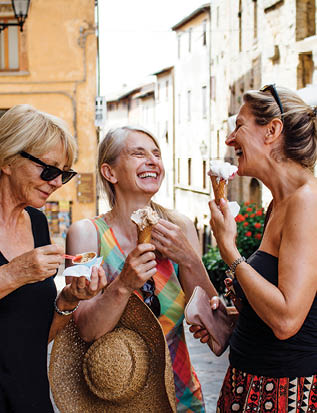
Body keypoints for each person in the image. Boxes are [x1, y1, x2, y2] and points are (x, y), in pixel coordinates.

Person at [65, 125, 218, 412]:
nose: (153, 161)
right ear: (110, 173)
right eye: (138, 153)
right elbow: (83, 331)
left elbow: (214, 326)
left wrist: (189, 259)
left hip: (181, 399)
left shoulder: (180, 227)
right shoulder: (86, 235)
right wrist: (122, 284)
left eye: (157, 154)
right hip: (113, 403)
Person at [192, 85, 317, 412]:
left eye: (239, 126)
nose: (229, 140)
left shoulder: (308, 202)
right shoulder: (277, 204)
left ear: (272, 130)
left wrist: (229, 251)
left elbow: (287, 320)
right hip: (248, 385)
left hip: (284, 395)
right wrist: (232, 320)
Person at [0, 104, 107, 412]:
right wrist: (13, 274)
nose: (58, 183)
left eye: (64, 173)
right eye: (48, 170)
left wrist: (68, 300)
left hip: (31, 401)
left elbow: (34, 337)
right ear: (7, 159)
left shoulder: (37, 222)